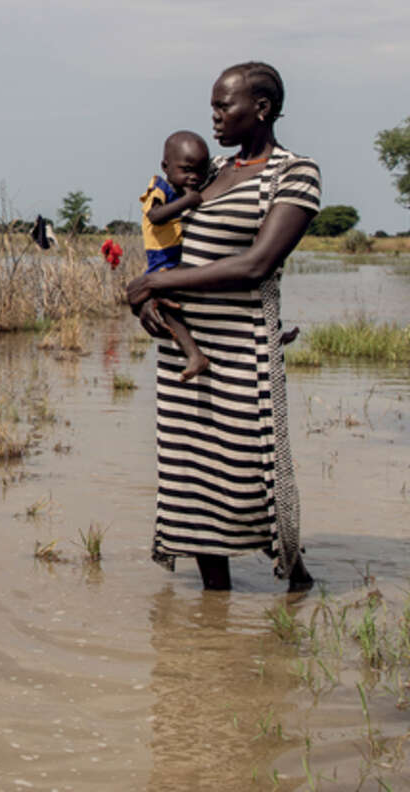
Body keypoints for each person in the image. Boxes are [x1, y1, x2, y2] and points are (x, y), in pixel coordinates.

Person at [126, 62, 319, 592]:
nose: (214, 116)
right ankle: (216, 610)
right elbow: (169, 240)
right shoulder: (211, 175)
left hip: (241, 352)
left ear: (260, 109)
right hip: (184, 355)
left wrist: (162, 286)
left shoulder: (293, 174)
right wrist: (151, 301)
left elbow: (258, 264)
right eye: (212, 105)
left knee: (253, 476)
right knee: (192, 482)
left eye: (223, 105)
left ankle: (295, 581)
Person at [140, 130, 211, 381]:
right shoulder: (159, 187)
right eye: (187, 170)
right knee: (164, 304)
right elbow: (155, 216)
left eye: (201, 171)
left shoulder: (181, 190)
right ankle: (193, 354)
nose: (194, 177)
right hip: (162, 261)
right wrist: (189, 201)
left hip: (177, 259)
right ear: (166, 167)